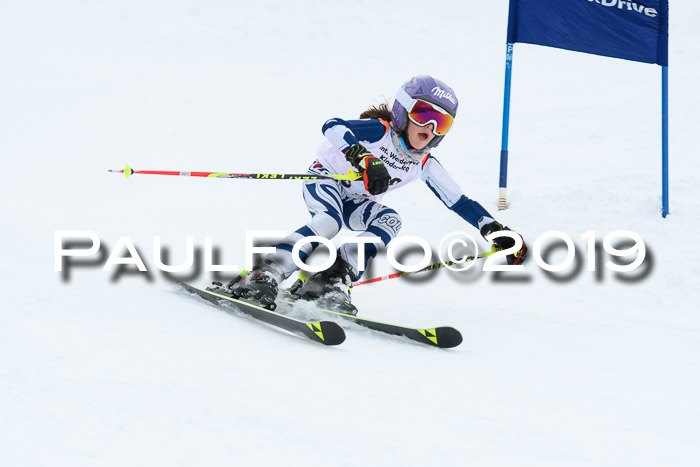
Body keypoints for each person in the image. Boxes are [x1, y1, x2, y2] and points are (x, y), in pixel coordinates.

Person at [229, 75, 527, 314]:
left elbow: (459, 201)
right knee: (328, 223)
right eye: (424, 114)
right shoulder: (379, 131)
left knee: (391, 221)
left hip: (359, 202)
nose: (431, 128)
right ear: (403, 111)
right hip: (326, 180)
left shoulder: (423, 162)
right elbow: (332, 126)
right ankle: (266, 272)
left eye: (442, 123)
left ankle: (332, 277)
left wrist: (493, 229)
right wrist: (363, 157)